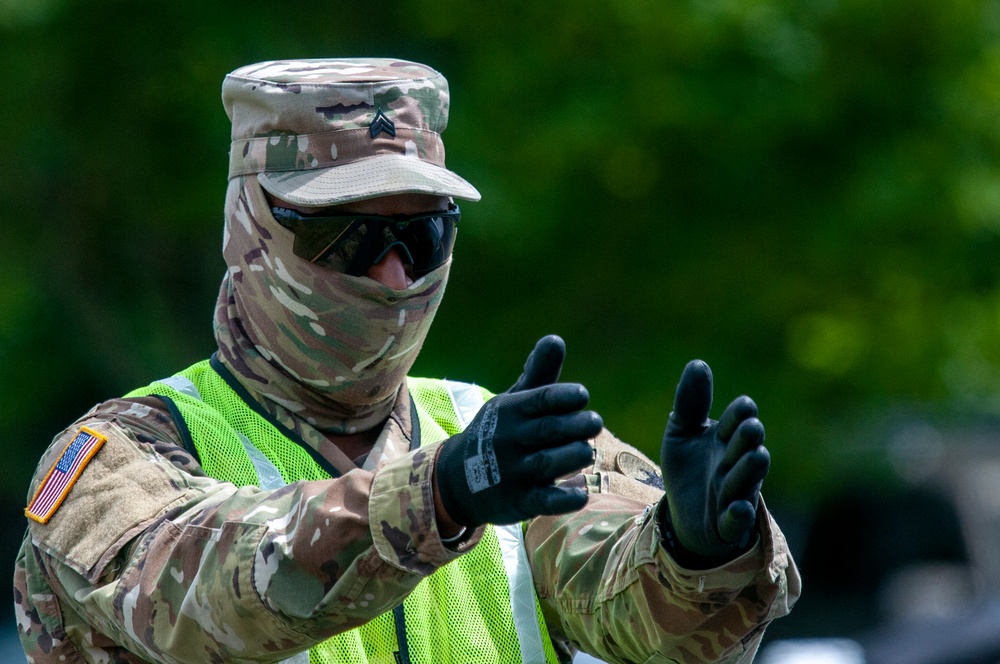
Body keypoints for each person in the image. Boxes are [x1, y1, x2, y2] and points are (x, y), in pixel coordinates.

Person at [14, 58, 800, 664]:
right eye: (351, 236)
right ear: (250, 227)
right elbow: (202, 595)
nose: (395, 275)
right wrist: (439, 495)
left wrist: (698, 556)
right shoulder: (118, 458)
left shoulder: (495, 437)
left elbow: (644, 618)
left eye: (423, 235)